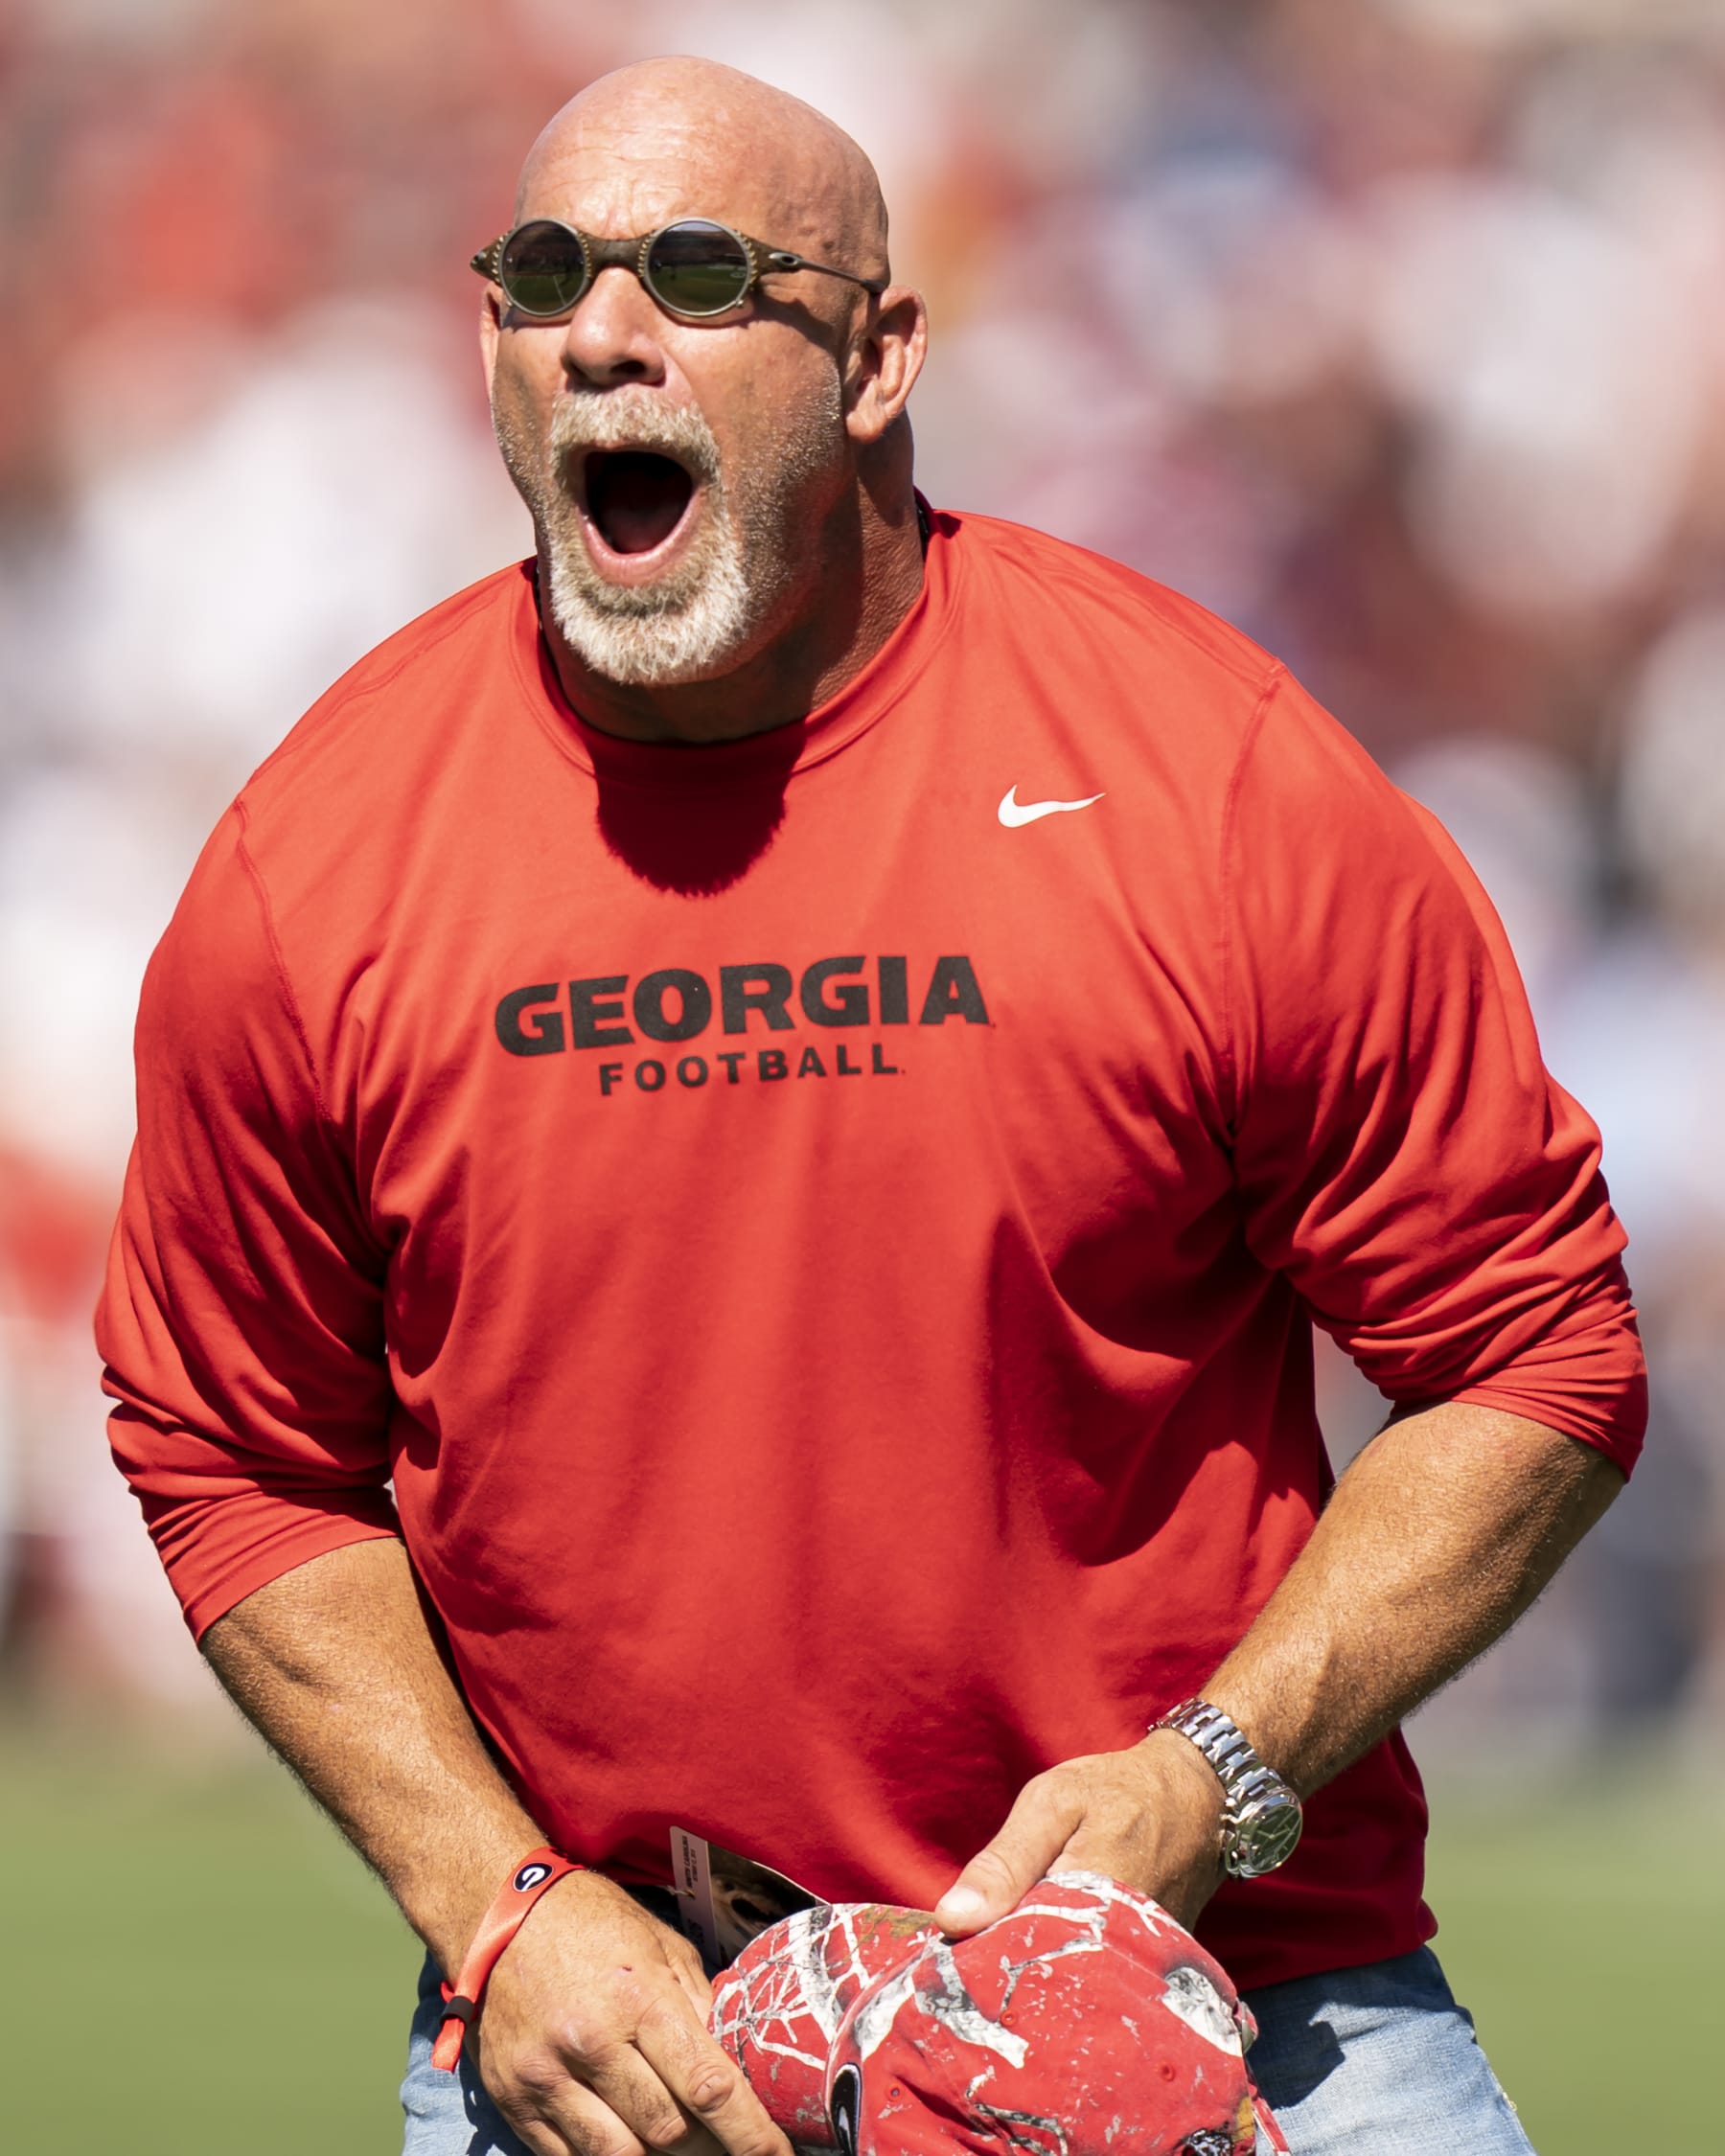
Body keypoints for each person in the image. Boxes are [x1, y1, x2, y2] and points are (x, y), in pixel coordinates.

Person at [96, 56, 1644, 2156]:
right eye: (543, 275)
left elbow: (1533, 1354)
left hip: (1227, 2002)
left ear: (881, 356)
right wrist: (497, 1904)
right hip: (621, 2043)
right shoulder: (320, 862)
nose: (605, 334)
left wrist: (1215, 1776)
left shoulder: (1210, 777)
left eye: (701, 274)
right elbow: (232, 1450)